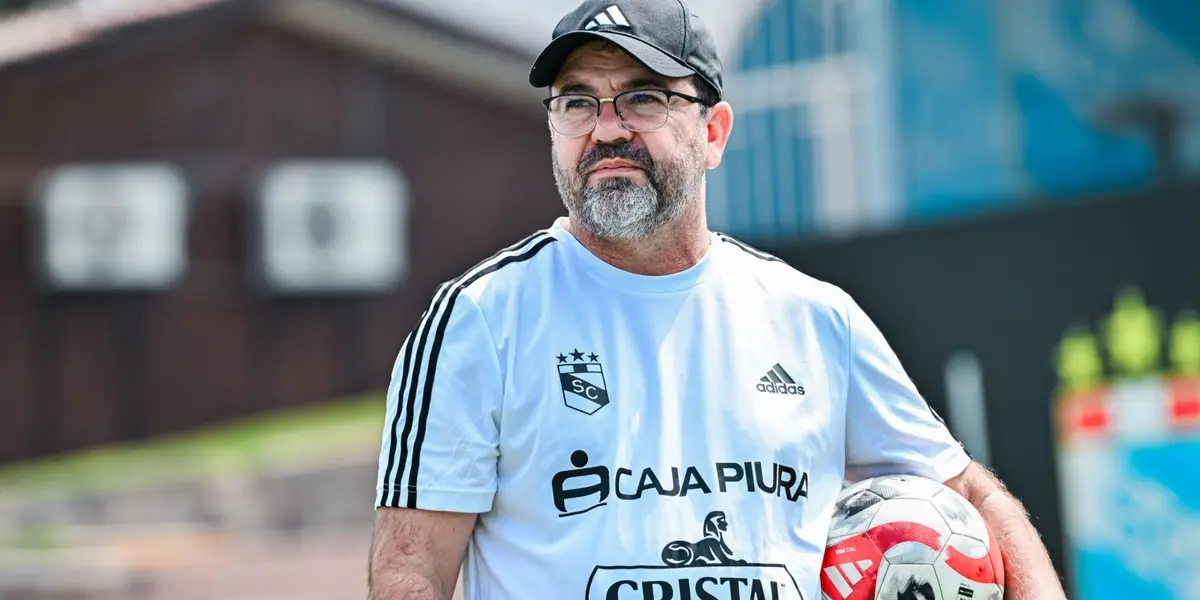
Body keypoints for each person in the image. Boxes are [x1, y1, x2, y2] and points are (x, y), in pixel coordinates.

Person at [367, 1, 1068, 599]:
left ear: (713, 132)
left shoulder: (814, 319)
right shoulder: (481, 320)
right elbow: (411, 574)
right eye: (577, 102)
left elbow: (973, 496)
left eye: (643, 97)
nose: (607, 128)